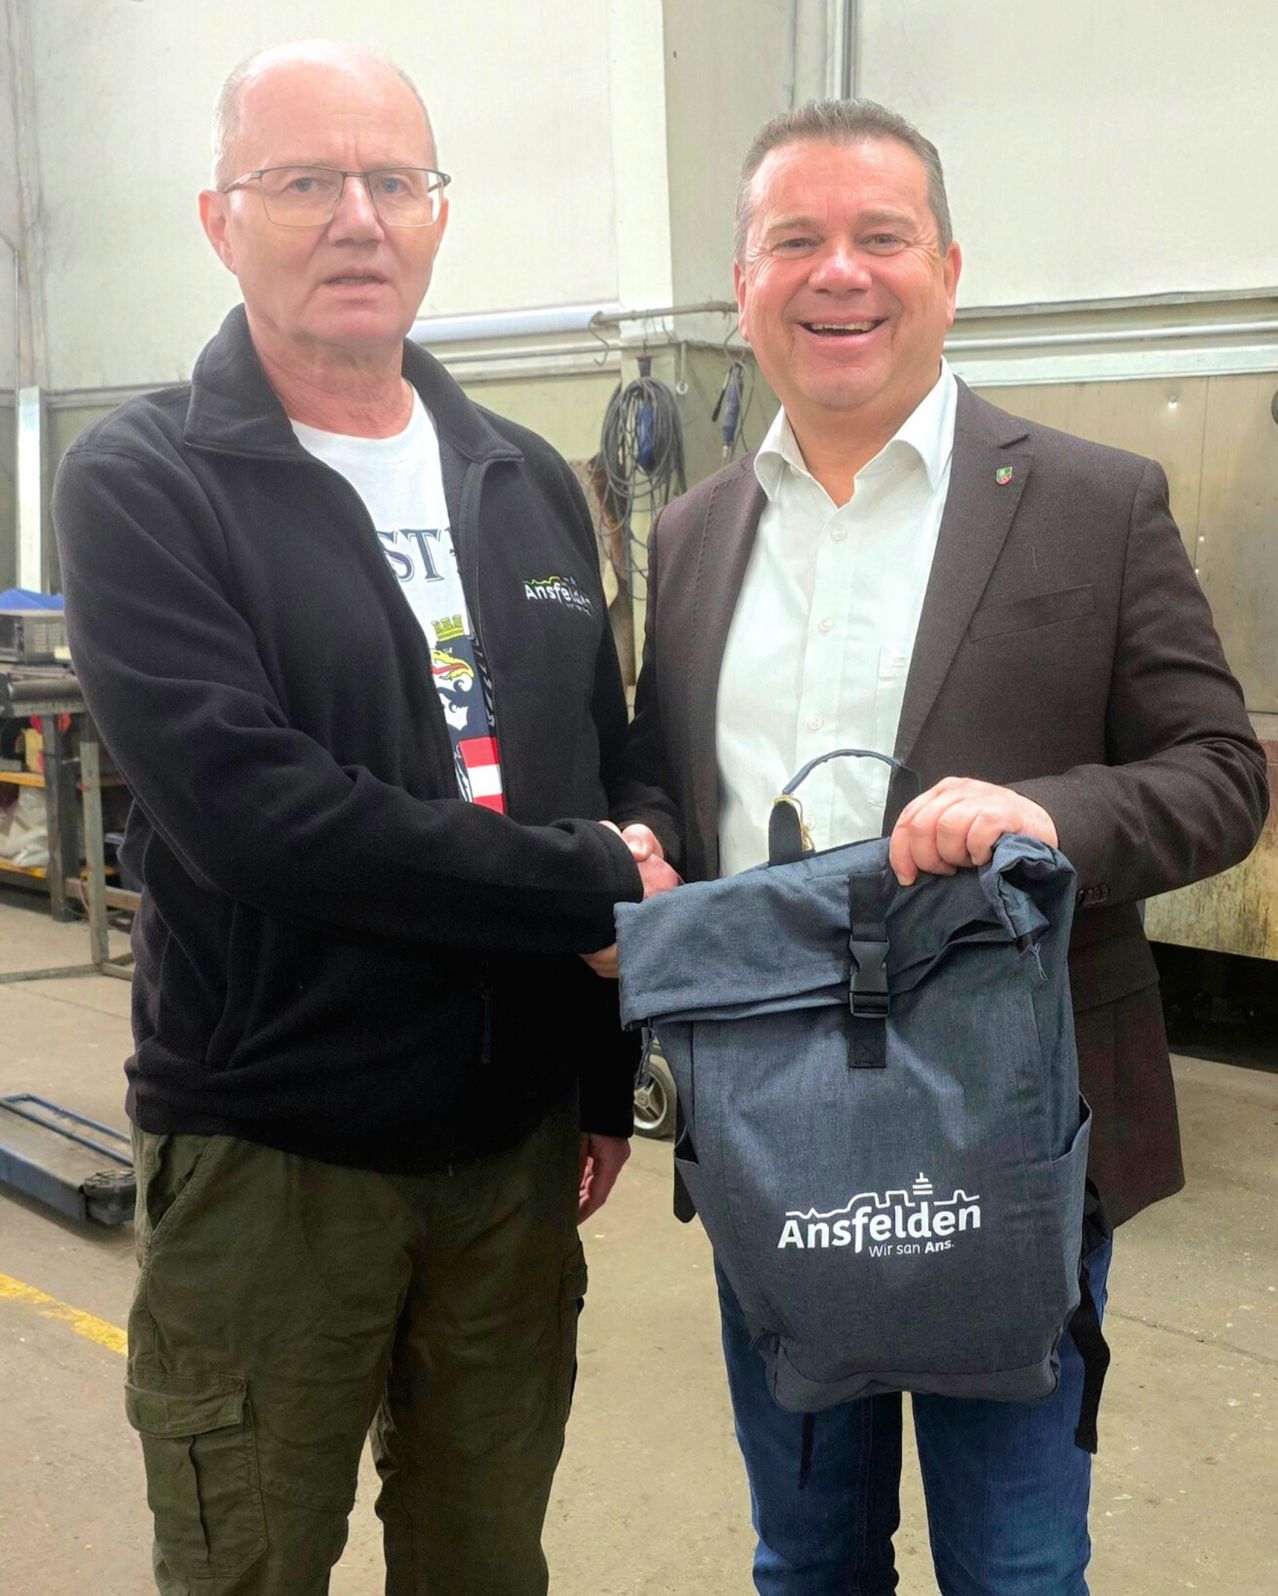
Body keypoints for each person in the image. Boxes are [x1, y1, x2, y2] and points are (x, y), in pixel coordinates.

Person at [610, 99, 1268, 1595]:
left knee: (1017, 1567)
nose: (838, 272)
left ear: (948, 270)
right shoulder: (700, 531)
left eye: (879, 236)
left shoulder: (1090, 503)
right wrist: (633, 853)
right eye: (796, 239)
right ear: (743, 286)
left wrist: (1051, 816)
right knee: (805, 1557)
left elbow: (1221, 774)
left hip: (1014, 1140)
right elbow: (666, 778)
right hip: (771, 1136)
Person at [53, 40, 675, 1596]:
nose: (356, 217)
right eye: (304, 180)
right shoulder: (145, 479)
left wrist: (600, 1074)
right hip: (280, 1155)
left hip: (511, 1153)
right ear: (219, 218)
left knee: (485, 1559)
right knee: (249, 1563)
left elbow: (609, 766)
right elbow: (256, 814)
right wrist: (587, 891)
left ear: (437, 214)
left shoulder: (521, 474)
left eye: (393, 179)